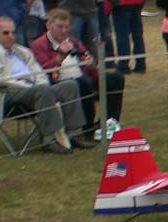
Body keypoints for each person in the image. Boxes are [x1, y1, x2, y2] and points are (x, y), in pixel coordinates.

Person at [0, 17, 91, 153]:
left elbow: (39, 72)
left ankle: (73, 134)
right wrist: (30, 86)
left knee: (69, 85)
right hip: (4, 95)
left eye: (13, 32)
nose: (11, 36)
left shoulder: (21, 51)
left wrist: (40, 83)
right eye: (5, 33)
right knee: (43, 90)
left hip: (34, 90)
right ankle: (49, 139)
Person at [30, 8, 115, 137]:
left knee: (114, 79)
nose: (64, 31)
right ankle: (88, 130)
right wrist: (59, 57)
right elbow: (42, 72)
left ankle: (109, 124)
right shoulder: (38, 45)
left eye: (67, 27)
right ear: (48, 25)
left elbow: (88, 60)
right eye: (60, 27)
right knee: (84, 83)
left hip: (82, 77)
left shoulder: (73, 41)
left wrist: (91, 65)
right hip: (60, 84)